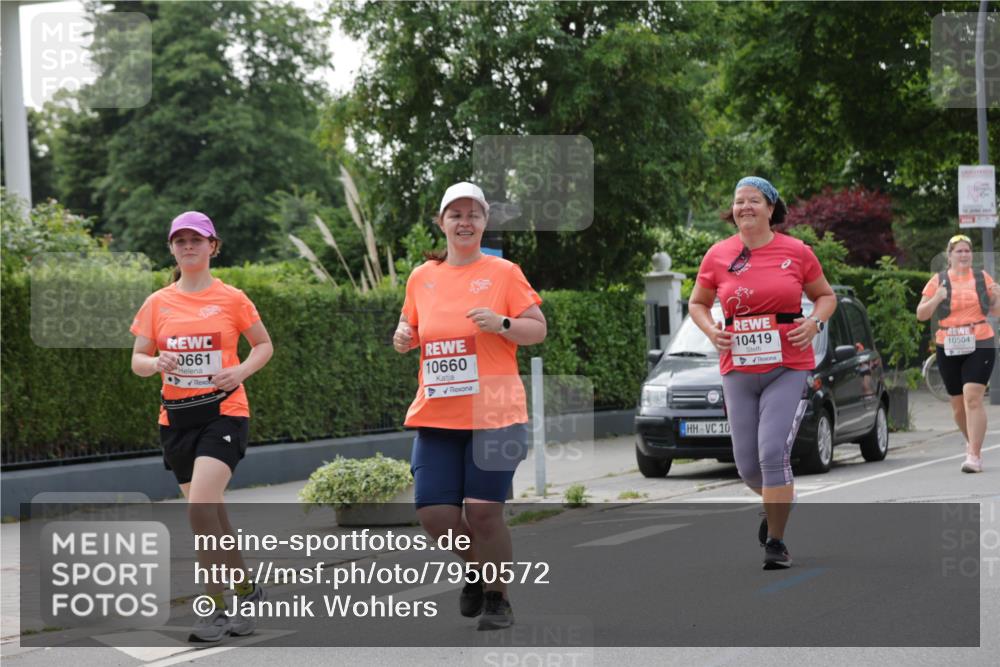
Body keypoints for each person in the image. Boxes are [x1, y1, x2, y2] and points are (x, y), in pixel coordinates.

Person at [392, 182, 546, 629]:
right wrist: (403, 337)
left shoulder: (503, 272)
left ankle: (498, 599)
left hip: (495, 413)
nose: (464, 221)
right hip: (438, 414)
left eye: (473, 214)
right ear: (441, 223)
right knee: (434, 515)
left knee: (482, 511)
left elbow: (537, 329)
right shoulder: (423, 276)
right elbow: (409, 328)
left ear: (484, 222)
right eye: (455, 214)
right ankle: (478, 570)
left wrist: (502, 323)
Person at [130, 211, 274, 642]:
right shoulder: (158, 302)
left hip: (224, 413)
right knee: (213, 515)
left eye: (197, 239)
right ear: (172, 248)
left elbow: (264, 345)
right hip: (175, 420)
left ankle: (212, 608)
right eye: (181, 240)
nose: (189, 246)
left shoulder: (232, 298)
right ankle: (247, 591)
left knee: (198, 509)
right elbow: (138, 361)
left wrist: (240, 372)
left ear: (213, 246)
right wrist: (156, 361)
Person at [688, 176, 837, 570]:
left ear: (772, 209)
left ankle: (776, 541)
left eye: (754, 200)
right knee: (748, 466)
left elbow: (826, 296)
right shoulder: (718, 255)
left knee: (772, 453)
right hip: (737, 368)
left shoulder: (797, 251)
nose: (745, 207)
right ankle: (777, 502)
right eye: (739, 201)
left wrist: (815, 323)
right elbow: (698, 303)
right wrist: (710, 330)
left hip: (787, 365)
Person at [916, 234, 1000, 473]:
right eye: (959, 251)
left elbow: (997, 311)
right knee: (958, 405)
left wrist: (998, 295)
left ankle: (974, 455)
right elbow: (921, 314)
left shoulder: (982, 278)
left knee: (972, 396)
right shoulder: (938, 281)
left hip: (980, 340)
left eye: (967, 251)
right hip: (948, 343)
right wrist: (936, 299)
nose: (964, 255)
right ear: (949, 255)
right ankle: (972, 442)